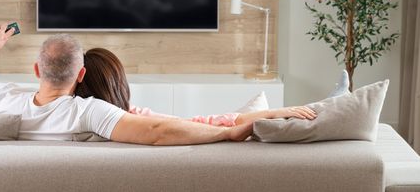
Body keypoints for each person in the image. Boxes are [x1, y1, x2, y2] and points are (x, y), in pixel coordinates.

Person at [0, 25, 255, 145]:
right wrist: (225, 132)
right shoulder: (89, 112)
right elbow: (157, 131)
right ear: (81, 75)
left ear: (37, 69)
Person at [76, 48, 317, 126]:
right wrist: (269, 113)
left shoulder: (65, 120)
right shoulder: (138, 121)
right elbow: (201, 124)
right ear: (119, 84)